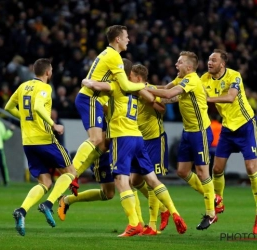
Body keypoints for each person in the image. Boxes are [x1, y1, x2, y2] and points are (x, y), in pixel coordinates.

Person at [82, 60, 187, 237]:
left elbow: (92, 84)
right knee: (151, 180)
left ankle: (134, 224)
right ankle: (175, 212)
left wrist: (87, 81)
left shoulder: (116, 85)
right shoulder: (136, 88)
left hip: (122, 138)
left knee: (121, 181)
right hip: (138, 137)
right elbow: (152, 98)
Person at [5, 58, 77, 236]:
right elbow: (38, 106)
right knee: (71, 172)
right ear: (48, 72)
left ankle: (22, 211)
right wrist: (54, 124)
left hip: (28, 142)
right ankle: (49, 203)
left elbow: (8, 107)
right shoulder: (45, 87)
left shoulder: (23, 87)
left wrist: (24, 118)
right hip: (45, 139)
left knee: (44, 182)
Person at [147, 51, 217, 230]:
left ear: (188, 67)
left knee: (202, 171)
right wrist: (143, 86)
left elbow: (170, 94)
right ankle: (213, 197)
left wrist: (143, 88)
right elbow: (164, 88)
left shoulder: (192, 79)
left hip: (200, 132)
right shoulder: (180, 78)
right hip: (188, 132)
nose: (176, 65)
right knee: (182, 171)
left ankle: (211, 213)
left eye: (179, 63)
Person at [72, 25, 146, 189]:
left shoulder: (107, 54)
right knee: (96, 139)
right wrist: (143, 86)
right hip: (91, 99)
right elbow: (126, 86)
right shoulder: (114, 57)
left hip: (95, 100)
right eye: (126, 36)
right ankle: (72, 172)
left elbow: (98, 81)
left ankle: (74, 175)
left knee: (103, 143)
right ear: (118, 39)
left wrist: (89, 81)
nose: (129, 39)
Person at [201, 49, 257, 234]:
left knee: (251, 169)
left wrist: (208, 99)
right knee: (216, 169)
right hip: (227, 128)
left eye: (213, 60)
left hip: (246, 125)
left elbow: (231, 97)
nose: (209, 62)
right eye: (209, 59)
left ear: (222, 64)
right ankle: (219, 201)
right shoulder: (204, 79)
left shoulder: (235, 75)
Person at [129, 64, 170, 235]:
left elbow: (163, 109)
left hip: (155, 140)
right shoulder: (130, 91)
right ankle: (162, 208)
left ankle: (152, 225)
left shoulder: (150, 90)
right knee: (135, 181)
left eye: (130, 76)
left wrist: (150, 100)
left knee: (153, 181)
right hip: (140, 141)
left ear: (138, 78)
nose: (128, 78)